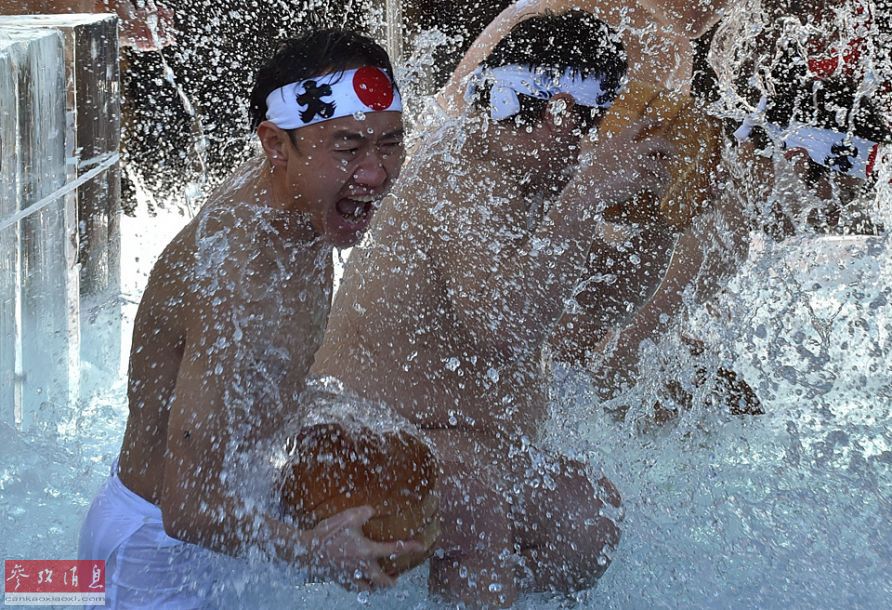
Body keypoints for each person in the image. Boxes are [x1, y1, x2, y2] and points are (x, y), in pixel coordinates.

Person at [309, 10, 671, 607]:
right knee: (474, 504)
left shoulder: (537, 181)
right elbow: (506, 327)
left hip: (464, 448)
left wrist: (655, 221)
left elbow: (604, 302)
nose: (572, 136)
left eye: (588, 122)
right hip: (357, 443)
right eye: (571, 118)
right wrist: (587, 199)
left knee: (588, 521)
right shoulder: (461, 171)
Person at [78, 29, 428, 607]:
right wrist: (314, 550)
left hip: (225, 521)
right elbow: (187, 505)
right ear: (274, 145)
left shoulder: (300, 200)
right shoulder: (240, 276)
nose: (375, 174)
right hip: (156, 553)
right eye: (347, 148)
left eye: (390, 143)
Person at [439, 0, 759, 416]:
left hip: (561, 269)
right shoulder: (558, 17)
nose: (723, 8)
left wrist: (674, 188)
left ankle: (625, 351)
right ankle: (613, 357)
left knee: (726, 207)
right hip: (480, 284)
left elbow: (623, 213)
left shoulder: (672, 44)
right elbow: (453, 155)